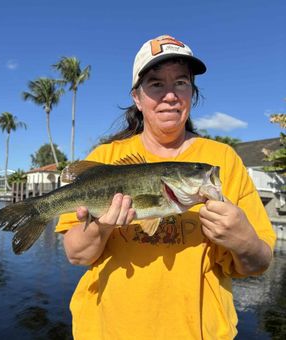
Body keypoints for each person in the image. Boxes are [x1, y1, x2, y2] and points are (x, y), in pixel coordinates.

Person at [55, 35, 276, 339]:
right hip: (107, 330)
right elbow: (77, 255)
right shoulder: (105, 158)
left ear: (192, 92)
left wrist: (244, 240)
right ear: (137, 97)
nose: (170, 95)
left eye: (181, 83)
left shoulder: (223, 159)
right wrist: (102, 227)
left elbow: (259, 262)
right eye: (156, 84)